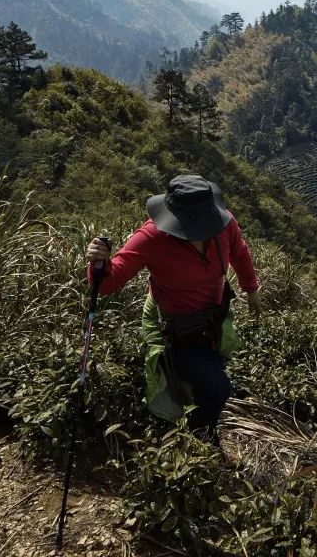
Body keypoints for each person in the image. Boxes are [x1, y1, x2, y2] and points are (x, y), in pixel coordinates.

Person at [85, 175, 261, 440]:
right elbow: (108, 283)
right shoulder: (152, 237)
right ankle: (200, 437)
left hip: (212, 319)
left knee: (211, 368)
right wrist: (98, 263)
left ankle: (194, 403)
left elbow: (239, 251)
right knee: (217, 387)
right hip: (173, 326)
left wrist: (251, 290)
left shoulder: (224, 225)